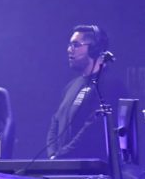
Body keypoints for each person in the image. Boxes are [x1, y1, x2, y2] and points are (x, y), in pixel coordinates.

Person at [46, 25, 126, 159]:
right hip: (63, 166)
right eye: (70, 45)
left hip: (89, 168)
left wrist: (61, 156)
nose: (69, 50)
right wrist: (53, 154)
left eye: (76, 45)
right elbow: (55, 121)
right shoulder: (71, 86)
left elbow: (94, 130)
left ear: (94, 50)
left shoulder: (110, 86)